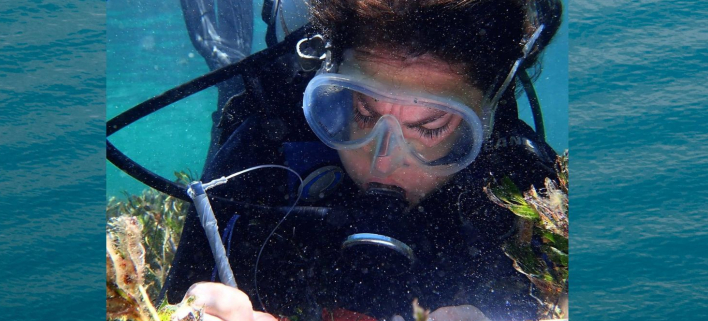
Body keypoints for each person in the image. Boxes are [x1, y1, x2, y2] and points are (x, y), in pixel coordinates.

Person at [160, 0, 563, 320]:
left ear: (487, 116)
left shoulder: (525, 190)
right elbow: (183, 294)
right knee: (233, 104)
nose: (382, 163)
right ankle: (227, 66)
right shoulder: (263, 151)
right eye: (364, 114)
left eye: (429, 126)